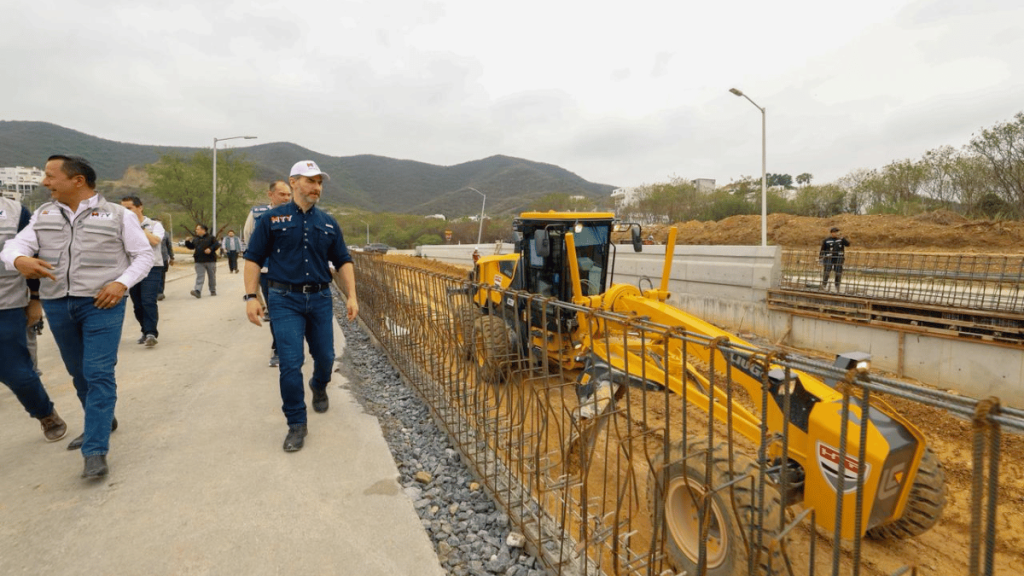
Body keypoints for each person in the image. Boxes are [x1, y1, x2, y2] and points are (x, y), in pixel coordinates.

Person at [1, 154, 153, 479]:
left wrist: (120, 283)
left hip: (102, 303)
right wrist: (18, 261)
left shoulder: (118, 215)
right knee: (78, 372)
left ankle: (95, 449)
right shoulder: (42, 214)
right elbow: (14, 246)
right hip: (58, 304)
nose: (45, 182)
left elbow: (143, 255)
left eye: (50, 176)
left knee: (98, 372)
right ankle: (102, 418)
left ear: (77, 180)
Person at [242, 160, 358, 452]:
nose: (316, 187)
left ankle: (319, 386)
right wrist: (251, 296)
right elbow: (253, 258)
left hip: (319, 299)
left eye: (319, 182)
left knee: (326, 357)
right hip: (284, 300)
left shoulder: (328, 223)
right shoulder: (271, 220)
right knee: (291, 364)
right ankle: (296, 423)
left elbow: (344, 260)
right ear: (293, 182)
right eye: (310, 181)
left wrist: (352, 296)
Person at [0, 193, 67, 443]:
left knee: (17, 372)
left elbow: (34, 254)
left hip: (6, 303)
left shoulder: (15, 212)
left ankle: (45, 413)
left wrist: (35, 299)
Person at [243, 180, 293, 367]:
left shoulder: (297, 213)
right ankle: (279, 350)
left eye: (289, 195)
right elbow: (249, 238)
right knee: (276, 311)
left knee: (294, 311)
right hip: (267, 270)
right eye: (282, 194)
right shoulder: (257, 215)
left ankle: (290, 346)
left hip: (292, 271)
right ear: (270, 194)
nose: (286, 198)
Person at [121, 196, 164, 346]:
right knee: (137, 304)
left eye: (129, 208)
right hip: (132, 269)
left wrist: (138, 228)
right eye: (123, 209)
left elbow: (155, 241)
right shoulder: (121, 225)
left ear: (140, 208)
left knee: (148, 301)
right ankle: (145, 330)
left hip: (152, 267)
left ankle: (151, 332)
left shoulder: (154, 224)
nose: (125, 212)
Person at [185, 224, 220, 298]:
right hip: (199, 260)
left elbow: (217, 244)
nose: (196, 230)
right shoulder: (196, 238)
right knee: (200, 276)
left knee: (212, 276)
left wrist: (210, 249)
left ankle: (212, 290)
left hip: (210, 260)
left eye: (198, 229)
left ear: (203, 230)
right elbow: (192, 247)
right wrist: (187, 242)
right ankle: (197, 291)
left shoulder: (211, 237)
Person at [819, 226, 851, 292]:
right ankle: (824, 285)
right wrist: (821, 258)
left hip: (838, 258)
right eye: (834, 232)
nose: (836, 234)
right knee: (827, 272)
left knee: (838, 272)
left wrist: (843, 238)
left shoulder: (841, 240)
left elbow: (848, 244)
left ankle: (837, 286)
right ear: (831, 233)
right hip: (829, 258)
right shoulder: (827, 240)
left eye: (837, 232)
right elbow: (822, 249)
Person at [156, 220, 173, 301]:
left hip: (163, 258)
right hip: (150, 259)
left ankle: (160, 292)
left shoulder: (165, 234)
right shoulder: (147, 233)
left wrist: (172, 257)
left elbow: (169, 246)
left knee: (161, 276)